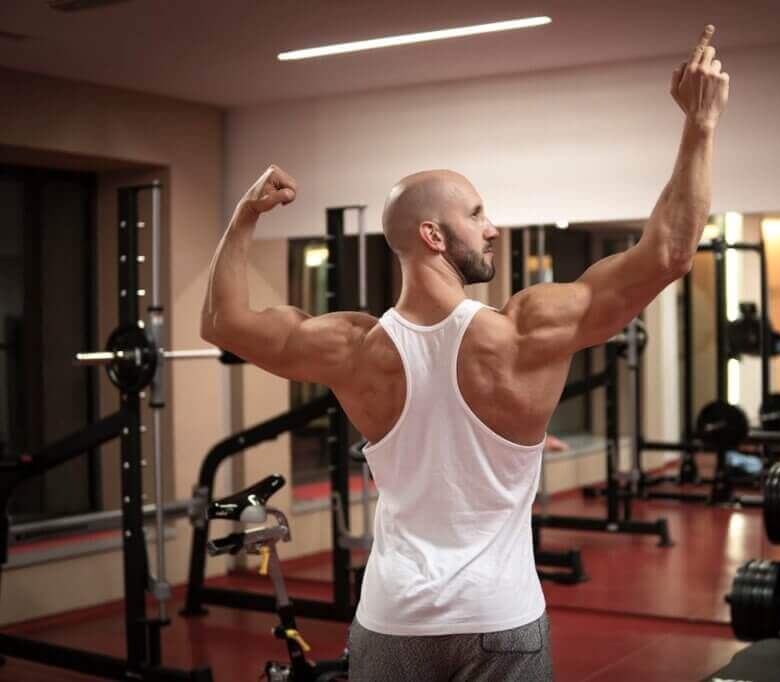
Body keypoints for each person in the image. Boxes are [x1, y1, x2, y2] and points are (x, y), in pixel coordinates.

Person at [201, 24, 728, 682]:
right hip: (498, 620)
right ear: (433, 234)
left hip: (391, 623)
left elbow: (221, 322)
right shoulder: (526, 330)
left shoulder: (351, 348)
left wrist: (245, 215)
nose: (492, 227)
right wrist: (700, 124)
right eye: (477, 214)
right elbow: (671, 252)